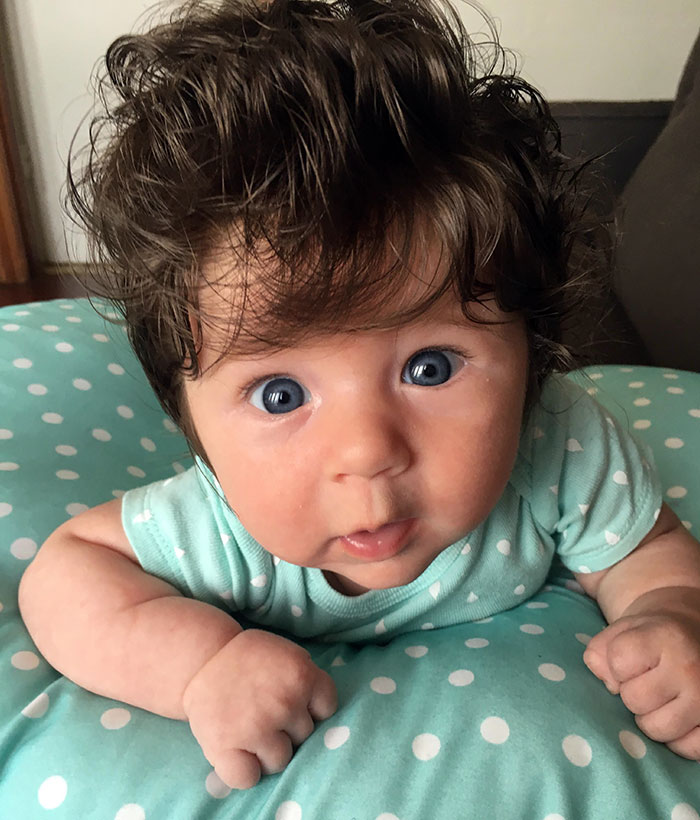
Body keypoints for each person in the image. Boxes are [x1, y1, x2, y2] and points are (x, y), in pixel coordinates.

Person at [18, 0, 700, 792]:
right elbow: (68, 571)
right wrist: (200, 665)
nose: (367, 450)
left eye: (430, 368)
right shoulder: (218, 528)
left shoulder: (560, 443)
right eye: (280, 395)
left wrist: (669, 613)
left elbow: (646, 551)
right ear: (185, 412)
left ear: (534, 358)